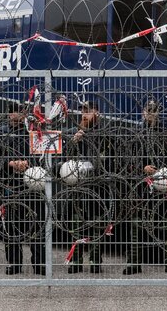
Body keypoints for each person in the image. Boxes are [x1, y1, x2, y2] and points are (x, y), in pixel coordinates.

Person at [123, 101, 167, 276]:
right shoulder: (136, 135)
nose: (151, 114)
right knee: (136, 226)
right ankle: (134, 264)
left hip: (164, 186)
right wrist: (143, 168)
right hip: (141, 187)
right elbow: (126, 160)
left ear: (158, 113)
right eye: (148, 111)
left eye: (154, 111)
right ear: (143, 112)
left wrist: (164, 170)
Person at [0, 103, 46, 276]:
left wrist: (28, 164)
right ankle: (14, 263)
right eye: (12, 111)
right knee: (11, 226)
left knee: (37, 226)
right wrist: (10, 163)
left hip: (34, 184)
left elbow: (44, 157)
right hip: (10, 184)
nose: (14, 115)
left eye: (18, 111)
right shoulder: (1, 133)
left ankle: (39, 263)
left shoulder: (35, 131)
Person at [64, 100, 111, 274]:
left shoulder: (104, 133)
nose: (84, 115)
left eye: (89, 111)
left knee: (97, 224)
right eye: (83, 111)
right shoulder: (76, 133)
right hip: (78, 187)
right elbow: (64, 158)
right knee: (76, 223)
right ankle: (76, 261)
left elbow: (105, 160)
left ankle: (95, 261)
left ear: (97, 113)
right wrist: (75, 141)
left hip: (97, 187)